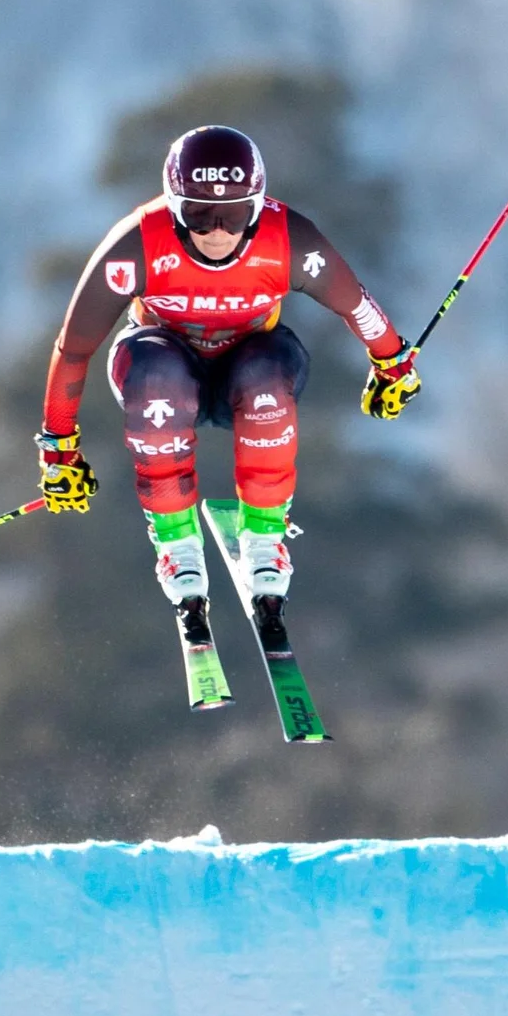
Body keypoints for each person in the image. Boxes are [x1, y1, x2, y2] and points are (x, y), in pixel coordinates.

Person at [34, 125, 416, 650]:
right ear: (172, 206)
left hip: (250, 365)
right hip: (164, 364)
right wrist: (59, 447)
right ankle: (177, 547)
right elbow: (75, 348)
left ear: (257, 206)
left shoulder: (290, 240)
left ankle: (265, 538)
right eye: (196, 213)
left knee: (265, 380)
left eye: (234, 215)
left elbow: (356, 305)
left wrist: (393, 362)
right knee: (157, 381)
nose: (216, 231)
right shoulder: (137, 244)